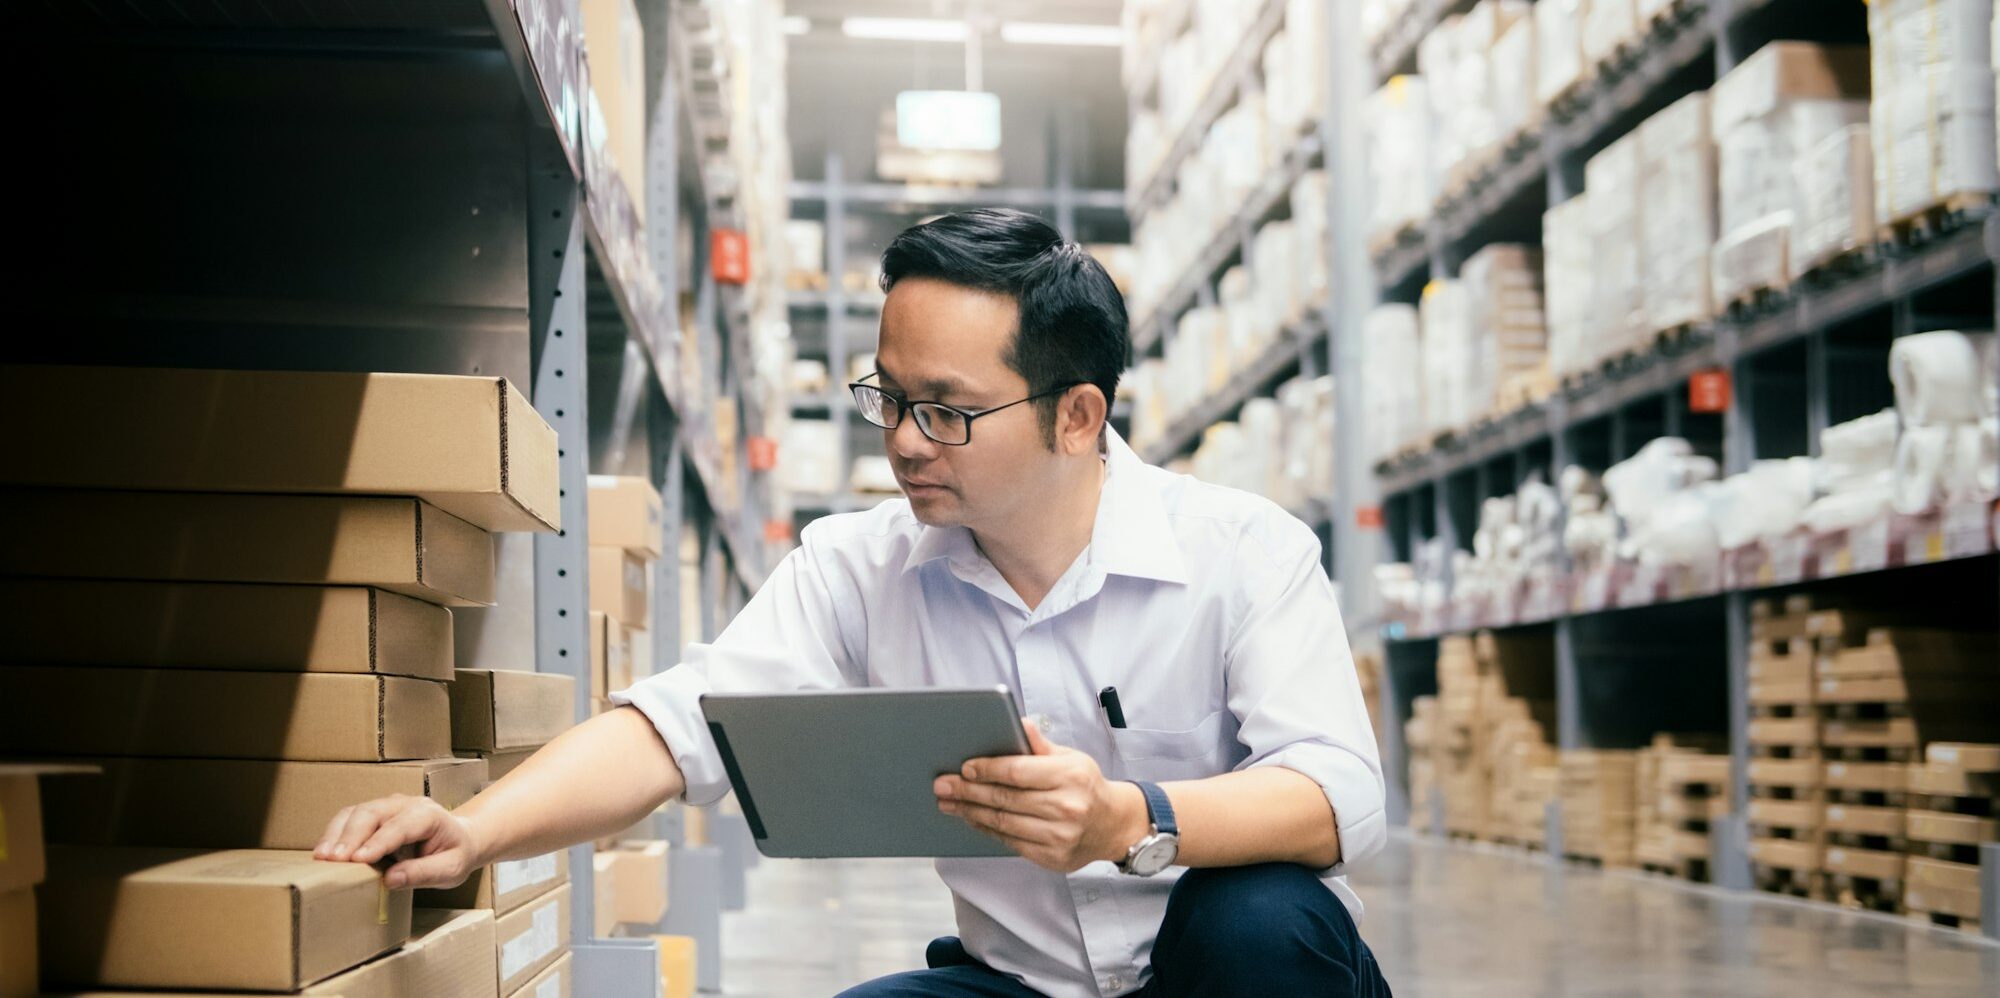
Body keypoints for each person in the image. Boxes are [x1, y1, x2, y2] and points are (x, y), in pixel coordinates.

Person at [315, 208, 1390, 997]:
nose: (905, 439)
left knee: (1258, 920)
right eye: (889, 394)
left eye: (948, 410)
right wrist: (471, 826)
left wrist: (1130, 819)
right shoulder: (861, 566)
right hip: (1019, 982)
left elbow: (1339, 792)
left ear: (1076, 415)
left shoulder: (1242, 550)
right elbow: (683, 725)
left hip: (1220, 973)